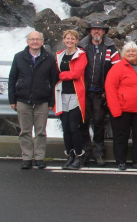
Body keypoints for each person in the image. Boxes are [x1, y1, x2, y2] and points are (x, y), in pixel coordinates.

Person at [8, 31, 58, 169]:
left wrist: (52, 101)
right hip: (23, 100)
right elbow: (12, 79)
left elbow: (54, 80)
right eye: (32, 39)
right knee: (25, 131)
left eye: (37, 39)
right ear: (27, 41)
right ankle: (27, 157)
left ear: (42, 42)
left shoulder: (49, 58)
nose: (35, 41)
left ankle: (40, 157)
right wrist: (12, 99)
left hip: (42, 100)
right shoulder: (19, 57)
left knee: (40, 131)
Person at [78, 20, 120, 166]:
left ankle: (99, 153)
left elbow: (116, 71)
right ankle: (85, 151)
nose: (96, 31)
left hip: (100, 93)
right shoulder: (81, 47)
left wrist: (107, 91)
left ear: (104, 32)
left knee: (98, 123)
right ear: (90, 31)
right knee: (83, 123)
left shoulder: (111, 48)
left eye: (99, 29)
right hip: (83, 92)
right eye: (94, 29)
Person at [105, 42, 137, 171]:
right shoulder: (117, 68)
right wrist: (115, 110)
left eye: (134, 51)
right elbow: (110, 88)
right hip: (122, 109)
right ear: (123, 54)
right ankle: (121, 161)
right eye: (128, 51)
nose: (131, 53)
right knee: (121, 136)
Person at [54, 30, 88, 170]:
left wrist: (61, 75)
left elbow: (77, 73)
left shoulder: (81, 54)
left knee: (74, 127)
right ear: (64, 40)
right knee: (66, 128)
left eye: (72, 39)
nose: (70, 41)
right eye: (67, 38)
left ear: (77, 41)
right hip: (62, 94)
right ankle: (70, 155)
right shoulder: (59, 55)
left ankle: (79, 156)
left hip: (75, 95)